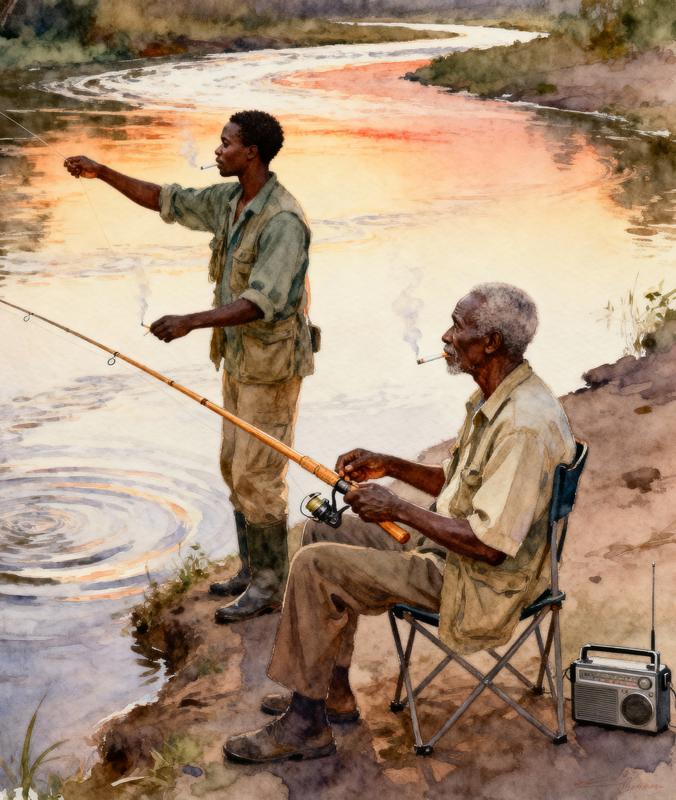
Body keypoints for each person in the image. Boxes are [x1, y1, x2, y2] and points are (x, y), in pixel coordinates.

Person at [223, 282, 576, 763]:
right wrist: (389, 464)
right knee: (324, 530)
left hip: (478, 586)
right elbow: (458, 483)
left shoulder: (522, 425)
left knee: (313, 564)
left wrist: (398, 508)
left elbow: (490, 546)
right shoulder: (498, 396)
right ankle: (332, 693)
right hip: (457, 556)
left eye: (459, 325)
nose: (447, 336)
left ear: (491, 342)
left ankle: (305, 727)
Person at [64, 111, 317, 623]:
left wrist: (189, 321)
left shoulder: (284, 221)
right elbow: (166, 199)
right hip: (239, 362)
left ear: (252, 154)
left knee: (259, 475)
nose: (217, 151)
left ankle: (271, 584)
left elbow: (257, 303)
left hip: (272, 368)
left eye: (226, 144)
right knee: (232, 466)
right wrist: (102, 172)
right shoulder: (228, 200)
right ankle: (252, 571)